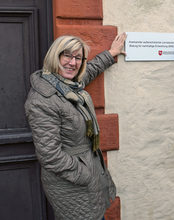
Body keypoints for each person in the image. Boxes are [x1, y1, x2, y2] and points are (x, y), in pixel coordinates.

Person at [25, 33, 126, 220]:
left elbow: (89, 71)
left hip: (89, 178)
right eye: (67, 56)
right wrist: (85, 174)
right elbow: (50, 156)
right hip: (71, 183)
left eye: (78, 58)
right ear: (54, 57)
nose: (73, 63)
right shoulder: (43, 99)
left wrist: (111, 53)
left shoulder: (69, 86)